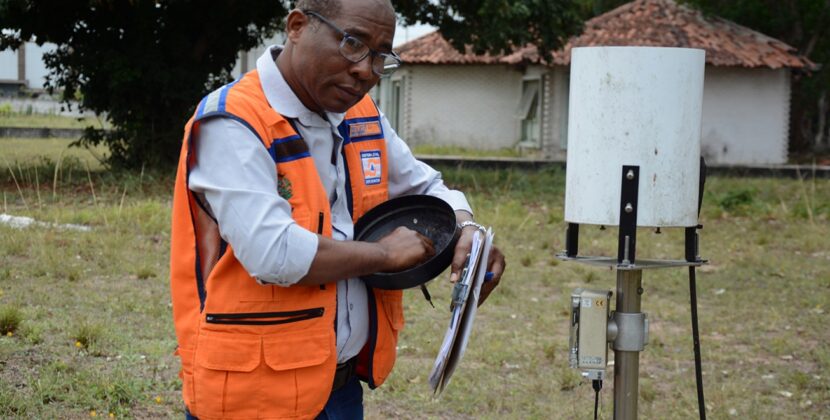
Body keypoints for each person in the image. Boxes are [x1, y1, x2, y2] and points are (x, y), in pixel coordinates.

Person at [169, 0, 506, 418]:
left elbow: (426, 186)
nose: (366, 70)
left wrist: (468, 227)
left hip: (340, 389)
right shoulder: (232, 122)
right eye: (352, 43)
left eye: (381, 56)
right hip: (253, 396)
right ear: (296, 26)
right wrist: (384, 255)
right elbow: (274, 253)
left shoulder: (360, 115)